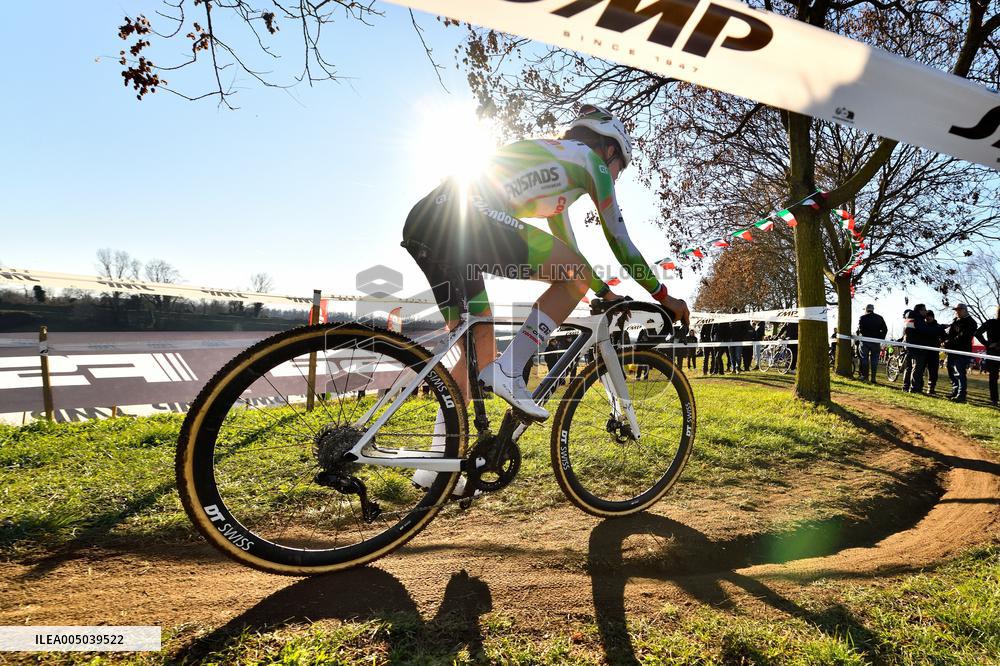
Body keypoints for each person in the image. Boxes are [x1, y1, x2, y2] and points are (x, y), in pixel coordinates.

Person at [402, 103, 689, 425]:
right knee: (569, 283)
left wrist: (604, 291)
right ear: (609, 149)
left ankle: (435, 468)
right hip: (469, 219)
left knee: (476, 349)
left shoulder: (557, 172)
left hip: (426, 222)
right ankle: (511, 371)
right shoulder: (591, 161)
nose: (616, 177)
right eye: (619, 168)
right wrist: (663, 296)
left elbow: (570, 255)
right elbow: (621, 244)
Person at [944, 303, 978, 403]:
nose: (956, 312)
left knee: (959, 372)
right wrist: (945, 340)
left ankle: (961, 395)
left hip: (962, 351)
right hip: (952, 351)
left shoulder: (971, 322)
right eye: (956, 310)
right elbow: (950, 333)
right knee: (951, 371)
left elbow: (963, 337)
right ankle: (955, 391)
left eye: (958, 310)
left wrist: (949, 342)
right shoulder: (955, 321)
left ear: (964, 310)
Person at [975, 305, 1000, 407]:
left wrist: (988, 344)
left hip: (992, 351)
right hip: (993, 352)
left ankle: (994, 400)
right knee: (993, 377)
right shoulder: (991, 322)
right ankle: (994, 399)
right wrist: (987, 344)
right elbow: (977, 333)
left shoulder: (990, 322)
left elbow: (977, 333)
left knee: (993, 377)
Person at [856, 303, 888, 383]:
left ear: (866, 310)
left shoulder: (862, 318)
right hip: (875, 341)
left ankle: (865, 376)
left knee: (864, 358)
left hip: (865, 340)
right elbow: (885, 329)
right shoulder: (879, 318)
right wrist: (880, 338)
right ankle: (873, 378)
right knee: (874, 360)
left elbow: (860, 329)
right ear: (873, 309)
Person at [924, 310, 947, 395]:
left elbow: (944, 337)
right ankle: (919, 386)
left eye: (930, 316)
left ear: (933, 317)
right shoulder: (923, 325)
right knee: (919, 369)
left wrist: (944, 342)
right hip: (923, 351)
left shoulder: (938, 327)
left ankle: (931, 388)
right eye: (927, 316)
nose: (928, 318)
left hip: (934, 351)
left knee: (933, 371)